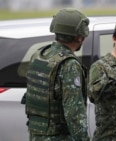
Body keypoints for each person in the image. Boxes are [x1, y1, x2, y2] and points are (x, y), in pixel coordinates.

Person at [22, 8, 90, 141]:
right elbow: (74, 113)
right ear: (79, 37)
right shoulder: (69, 64)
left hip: (36, 134)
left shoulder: (39, 54)